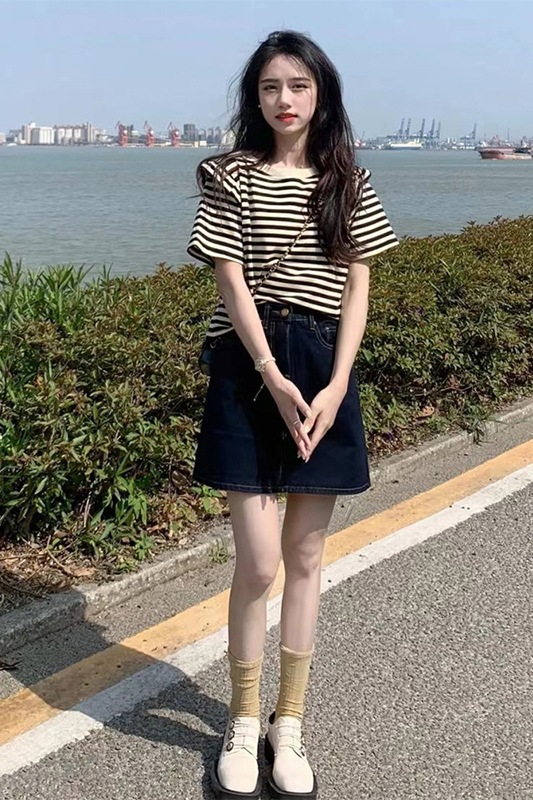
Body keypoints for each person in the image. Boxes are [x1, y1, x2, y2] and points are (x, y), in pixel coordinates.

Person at [187, 29, 399, 800]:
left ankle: (291, 724)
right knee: (258, 561)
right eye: (270, 86)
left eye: (298, 86)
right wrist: (270, 375)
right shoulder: (227, 174)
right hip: (250, 368)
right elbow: (229, 279)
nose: (284, 99)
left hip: (322, 364)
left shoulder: (349, 180)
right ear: (255, 97)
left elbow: (357, 287)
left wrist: (338, 383)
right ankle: (243, 722)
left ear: (321, 95)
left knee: (306, 558)